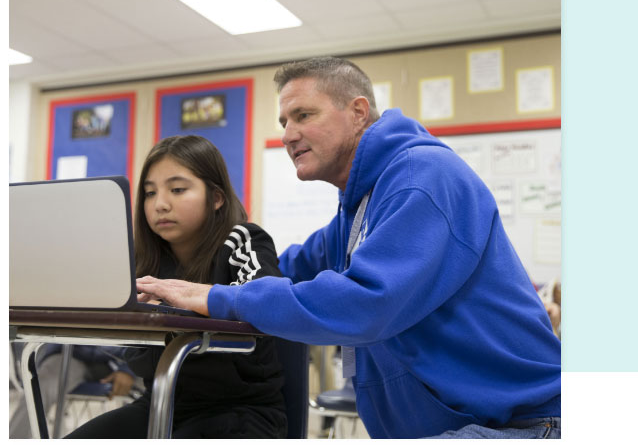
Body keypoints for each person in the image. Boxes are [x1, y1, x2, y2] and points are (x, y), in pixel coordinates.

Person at [137, 57, 562, 439]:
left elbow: (364, 303)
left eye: (303, 115)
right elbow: (285, 269)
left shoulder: (421, 179)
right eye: (284, 121)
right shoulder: (359, 205)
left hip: (519, 425)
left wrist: (218, 296)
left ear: (358, 112)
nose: (288, 134)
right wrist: (193, 282)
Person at [66, 135, 287, 438]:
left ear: (217, 197)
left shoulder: (242, 239)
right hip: (160, 402)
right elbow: (137, 357)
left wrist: (171, 314)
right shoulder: (144, 259)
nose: (160, 204)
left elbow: (265, 302)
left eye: (178, 189)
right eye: (149, 193)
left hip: (239, 410)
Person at [10, 344, 138, 438]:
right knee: (38, 386)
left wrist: (128, 368)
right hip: (70, 352)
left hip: (127, 357)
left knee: (155, 386)